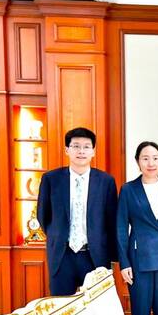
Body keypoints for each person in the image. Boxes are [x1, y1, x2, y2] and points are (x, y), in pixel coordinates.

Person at [37, 127, 118, 296]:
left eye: (86, 147)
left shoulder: (106, 181)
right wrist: (57, 235)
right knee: (61, 305)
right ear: (67, 149)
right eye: (76, 146)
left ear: (93, 151)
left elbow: (111, 221)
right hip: (62, 255)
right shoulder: (51, 179)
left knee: (95, 306)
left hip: (94, 255)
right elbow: (43, 215)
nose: (81, 151)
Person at [116, 141, 158, 315]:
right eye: (145, 158)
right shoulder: (128, 189)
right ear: (138, 162)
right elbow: (121, 228)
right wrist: (124, 262)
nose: (151, 163)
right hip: (138, 261)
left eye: (155, 158)